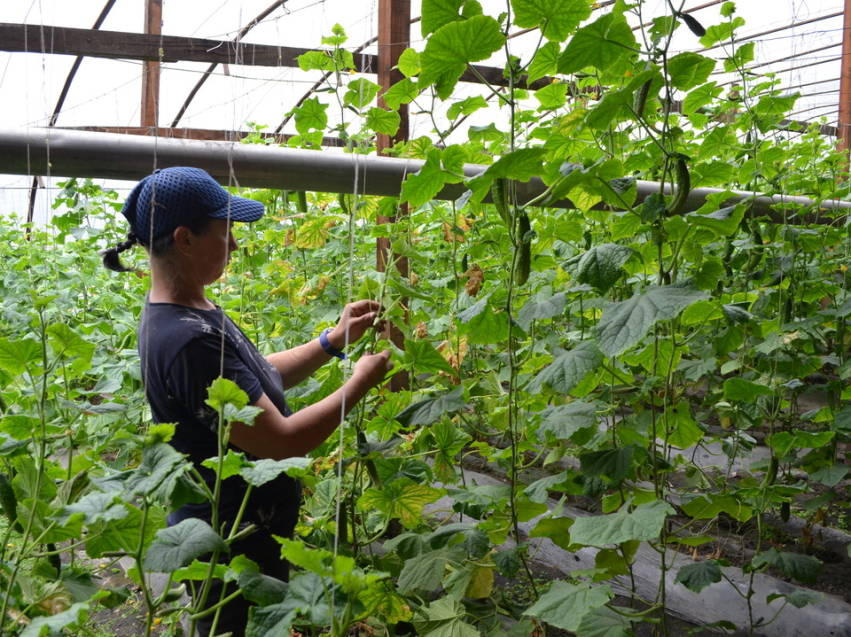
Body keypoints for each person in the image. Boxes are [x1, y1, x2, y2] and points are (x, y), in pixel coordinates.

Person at [101, 166, 393, 637]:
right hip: (231, 540)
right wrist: (360, 382)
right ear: (185, 239)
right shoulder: (188, 340)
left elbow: (256, 378)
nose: (235, 245)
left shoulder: (188, 310)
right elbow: (281, 442)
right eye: (226, 232)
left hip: (247, 529)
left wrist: (330, 342)